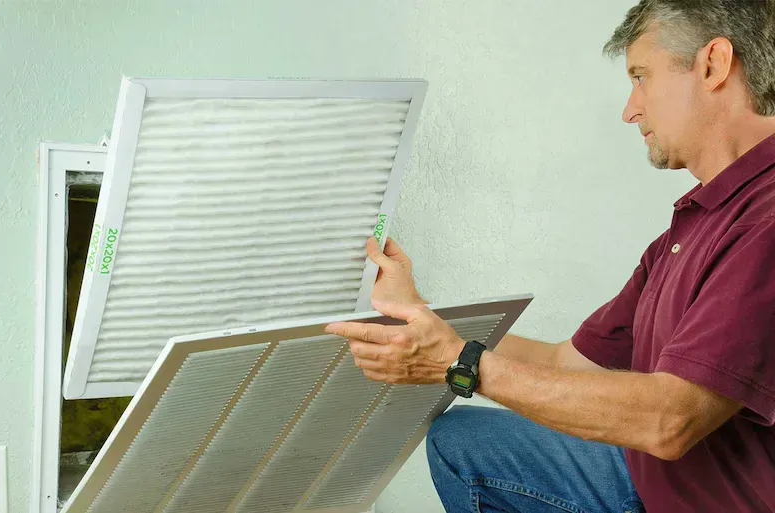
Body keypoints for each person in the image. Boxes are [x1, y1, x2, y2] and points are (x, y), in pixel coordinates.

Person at [324, 1, 775, 511]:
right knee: (464, 442)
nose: (630, 108)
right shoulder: (699, 219)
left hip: (715, 498)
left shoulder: (765, 222)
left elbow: (669, 422)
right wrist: (419, 320)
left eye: (641, 76)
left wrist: (459, 362)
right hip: (657, 475)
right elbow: (568, 362)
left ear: (712, 63)